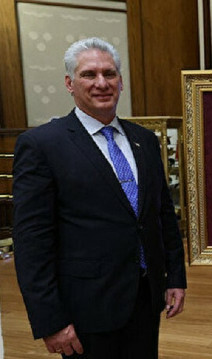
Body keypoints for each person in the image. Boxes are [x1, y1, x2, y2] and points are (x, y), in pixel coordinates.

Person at [12, 37, 187, 358]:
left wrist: (174, 277)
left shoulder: (144, 141)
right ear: (69, 83)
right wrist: (50, 319)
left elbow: (162, 216)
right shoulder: (42, 145)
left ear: (121, 81)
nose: (101, 83)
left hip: (144, 300)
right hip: (84, 309)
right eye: (89, 75)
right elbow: (31, 242)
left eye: (110, 73)